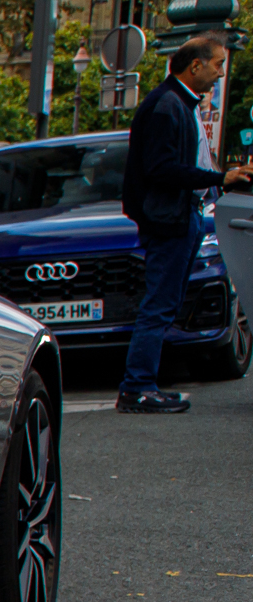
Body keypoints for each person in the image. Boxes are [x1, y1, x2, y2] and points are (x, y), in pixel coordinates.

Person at [119, 31, 253, 414]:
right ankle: (137, 387)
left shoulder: (179, 103)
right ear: (195, 66)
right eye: (218, 64)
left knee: (166, 302)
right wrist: (218, 179)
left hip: (180, 216)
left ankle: (143, 384)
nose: (221, 73)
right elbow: (162, 170)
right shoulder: (167, 106)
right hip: (169, 219)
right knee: (160, 304)